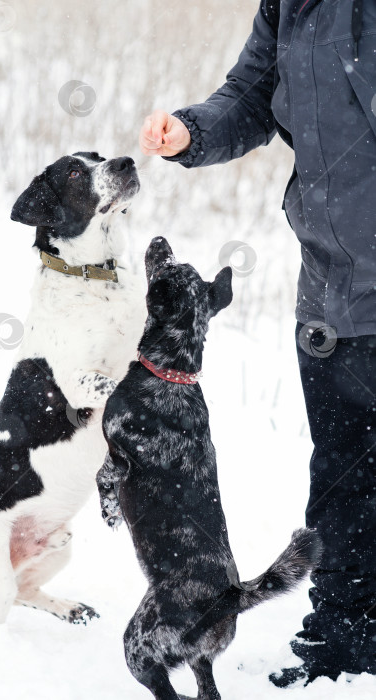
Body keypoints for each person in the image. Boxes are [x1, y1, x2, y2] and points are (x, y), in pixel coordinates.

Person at [139, 0, 376, 688]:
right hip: (334, 288)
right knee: (342, 470)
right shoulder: (291, 5)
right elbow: (250, 95)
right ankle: (345, 631)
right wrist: (189, 130)